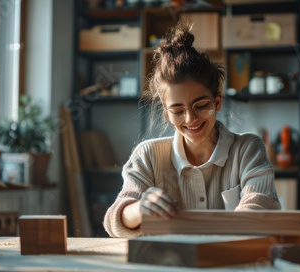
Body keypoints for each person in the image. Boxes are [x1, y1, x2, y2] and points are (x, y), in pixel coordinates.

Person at [103, 23, 280, 238]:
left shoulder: (247, 150)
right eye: (177, 110)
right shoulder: (148, 155)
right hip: (168, 266)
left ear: (217, 102)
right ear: (166, 113)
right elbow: (115, 221)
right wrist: (139, 209)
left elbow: (259, 208)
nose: (190, 118)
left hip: (228, 266)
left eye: (201, 105)